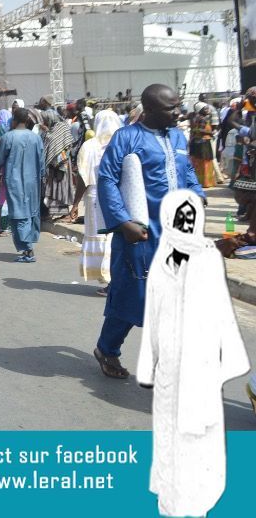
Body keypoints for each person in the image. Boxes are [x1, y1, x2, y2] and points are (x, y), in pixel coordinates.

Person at [136, 190, 249, 518]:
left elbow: (223, 312)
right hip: (171, 360)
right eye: (179, 217)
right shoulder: (162, 259)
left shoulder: (208, 256)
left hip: (200, 357)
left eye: (190, 217)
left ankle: (201, 493)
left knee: (201, 430)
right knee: (171, 430)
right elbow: (153, 316)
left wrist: (227, 360)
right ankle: (171, 491)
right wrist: (147, 366)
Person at [94, 84, 205, 379]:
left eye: (178, 106)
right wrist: (122, 222)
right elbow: (107, 179)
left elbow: (188, 173)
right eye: (171, 108)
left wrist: (198, 196)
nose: (178, 112)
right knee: (132, 294)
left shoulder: (179, 137)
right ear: (151, 110)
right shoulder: (127, 138)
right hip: (140, 233)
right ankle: (107, 348)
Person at [69, 109, 122, 292]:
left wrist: (75, 204)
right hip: (119, 196)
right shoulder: (123, 144)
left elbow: (83, 178)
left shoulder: (89, 146)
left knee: (100, 235)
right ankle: (117, 279)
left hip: (94, 197)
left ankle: (109, 281)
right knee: (116, 236)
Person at [0, 107, 45, 262]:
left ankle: (28, 250)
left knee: (19, 215)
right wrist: (43, 178)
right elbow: (41, 162)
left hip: (14, 182)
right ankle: (28, 247)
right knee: (30, 212)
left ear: (13, 120)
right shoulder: (36, 138)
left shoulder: (8, 137)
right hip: (33, 182)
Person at [42, 109, 76, 220]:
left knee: (63, 187)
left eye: (46, 119)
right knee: (54, 188)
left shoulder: (62, 127)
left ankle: (65, 213)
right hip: (53, 164)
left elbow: (67, 144)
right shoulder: (51, 129)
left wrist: (60, 161)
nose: (45, 122)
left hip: (62, 163)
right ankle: (53, 212)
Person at [188, 103, 216, 188]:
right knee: (205, 161)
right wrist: (210, 133)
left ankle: (198, 181)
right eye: (206, 109)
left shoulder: (196, 118)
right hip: (203, 142)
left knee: (198, 161)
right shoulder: (202, 119)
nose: (208, 110)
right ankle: (205, 182)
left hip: (197, 142)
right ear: (200, 110)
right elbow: (199, 129)